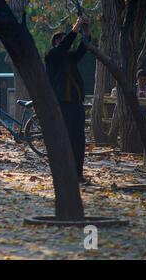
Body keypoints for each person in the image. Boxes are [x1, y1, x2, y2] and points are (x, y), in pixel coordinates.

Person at [45, 16, 90, 184]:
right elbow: (65, 45)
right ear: (57, 43)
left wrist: (86, 28)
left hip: (76, 105)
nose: (66, 43)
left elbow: (82, 49)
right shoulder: (52, 57)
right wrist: (75, 27)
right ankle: (63, 174)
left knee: (79, 140)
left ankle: (78, 174)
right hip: (62, 106)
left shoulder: (70, 59)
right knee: (65, 139)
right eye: (62, 40)